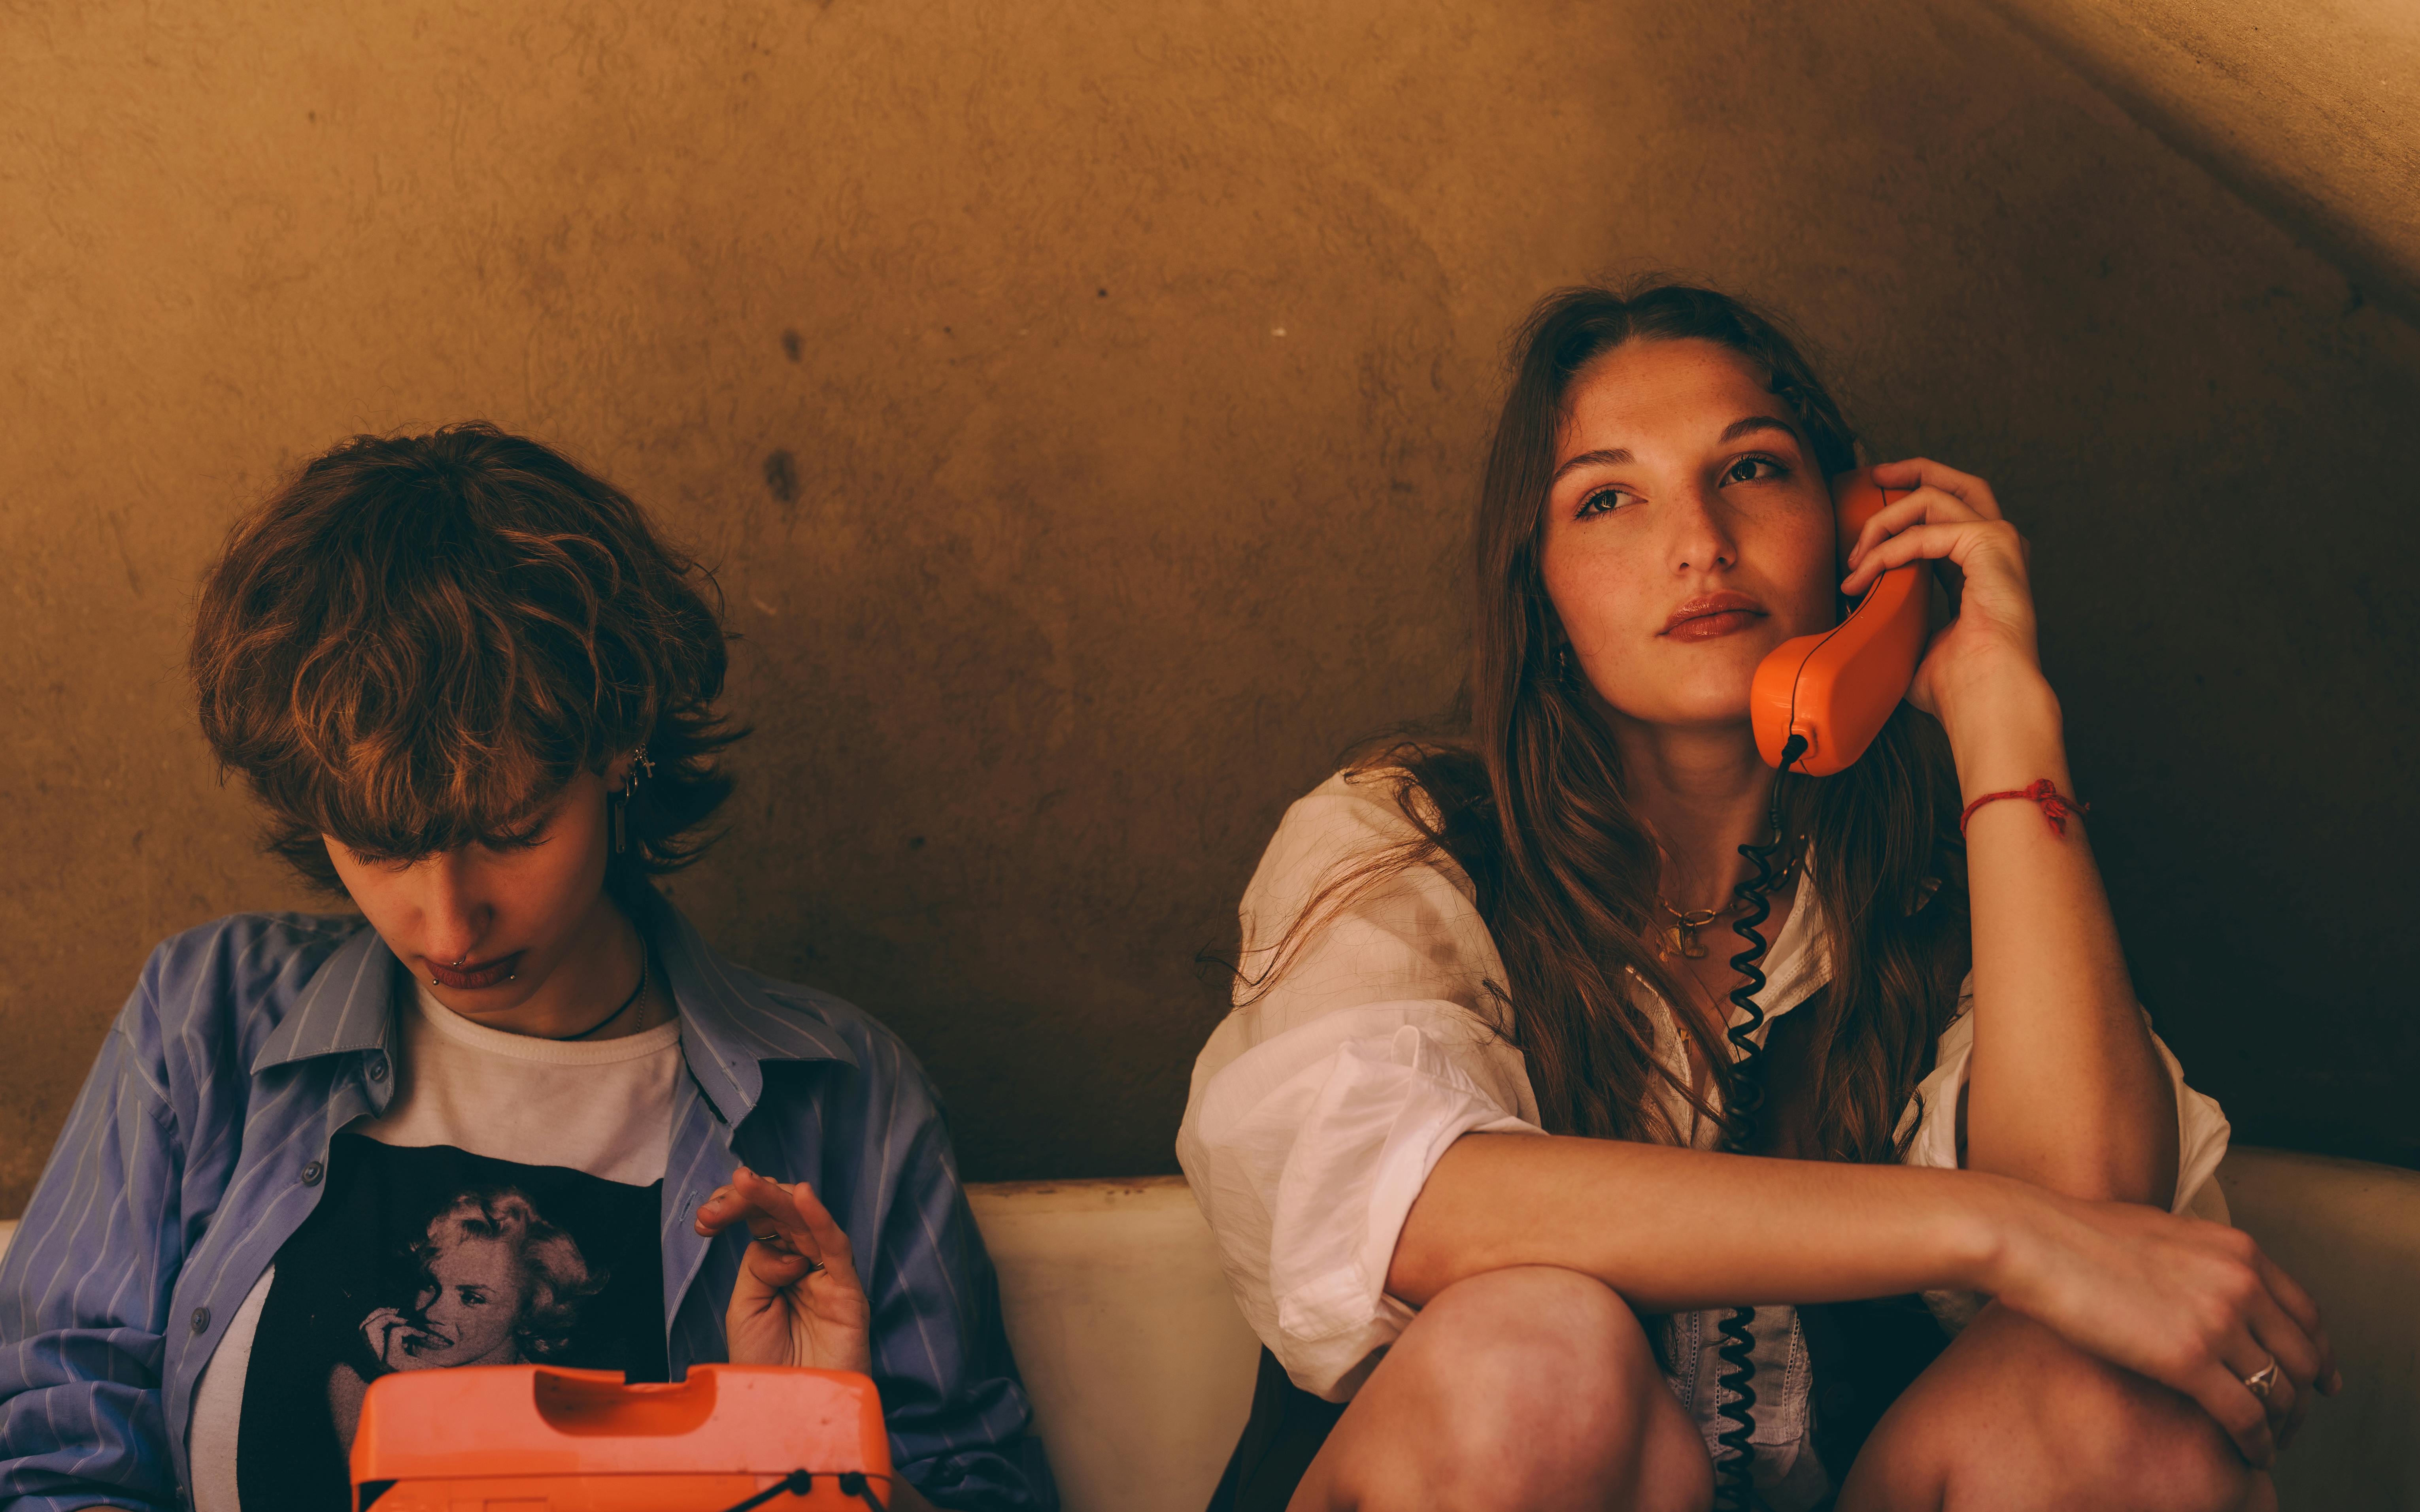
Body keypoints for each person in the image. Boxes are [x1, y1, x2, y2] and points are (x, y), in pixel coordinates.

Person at [1178, 283, 2336, 1512]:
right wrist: (1992, 1229)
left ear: (1855, 535)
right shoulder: (1400, 837)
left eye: (1752, 471)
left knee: (2117, 1401)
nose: (1698, 543)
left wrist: (2003, 715)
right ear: (1542, 591)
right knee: (1534, 1361)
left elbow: (2100, 1221)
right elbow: (1409, 1205)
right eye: (1608, 498)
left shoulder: (1940, 869)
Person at [0, 425, 1053, 1512]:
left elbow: (985, 1487)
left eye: (510, 830)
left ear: (617, 744)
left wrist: (825, 1463)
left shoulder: (840, 1096)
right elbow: (48, 1441)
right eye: (381, 846)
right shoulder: (206, 1019)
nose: (449, 923)